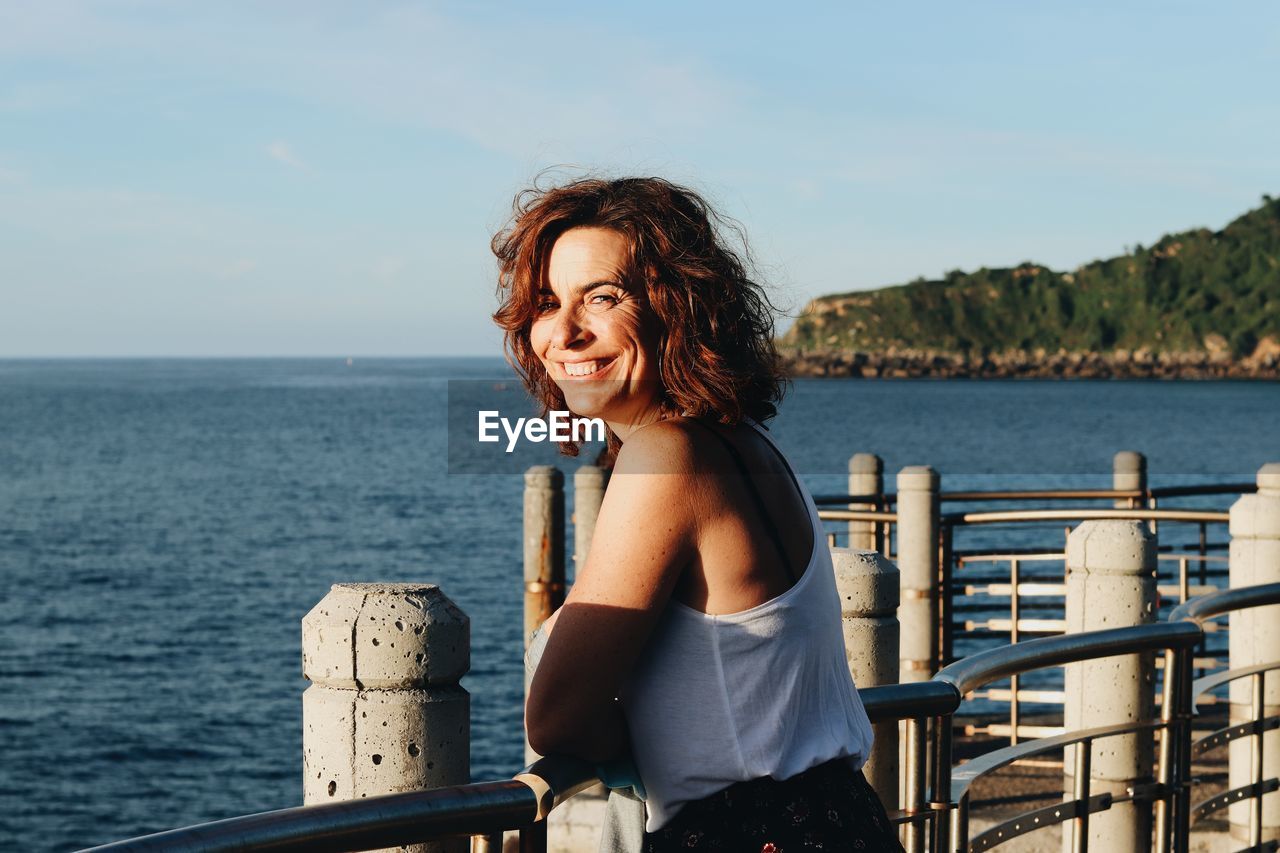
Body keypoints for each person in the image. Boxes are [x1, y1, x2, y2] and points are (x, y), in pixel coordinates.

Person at [493, 176, 902, 852]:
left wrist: (626, 742)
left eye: (602, 297)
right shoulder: (746, 444)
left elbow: (558, 715)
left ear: (675, 307)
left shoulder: (668, 455)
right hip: (836, 822)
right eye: (546, 302)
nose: (563, 330)